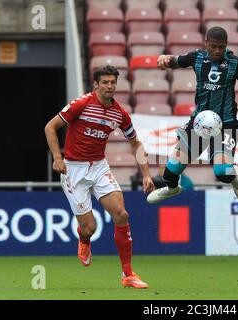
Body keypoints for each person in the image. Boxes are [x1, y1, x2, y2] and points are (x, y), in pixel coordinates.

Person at [44, 65, 155, 289]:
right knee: (90, 228)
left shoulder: (119, 113)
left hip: (99, 168)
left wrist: (146, 174)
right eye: (105, 82)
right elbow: (50, 127)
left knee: (121, 215)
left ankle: (128, 274)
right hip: (73, 170)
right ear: (96, 84)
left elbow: (136, 143)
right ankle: (84, 238)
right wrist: (58, 157)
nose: (109, 86)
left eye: (113, 82)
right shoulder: (81, 104)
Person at [147, 26, 238, 204]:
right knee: (170, 172)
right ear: (206, 44)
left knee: (222, 173)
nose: (217, 51)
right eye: (214, 46)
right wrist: (164, 59)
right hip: (200, 124)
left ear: (226, 45)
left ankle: (234, 177)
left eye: (221, 47)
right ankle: (172, 189)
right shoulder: (197, 58)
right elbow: (176, 61)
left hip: (226, 124)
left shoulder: (236, 63)